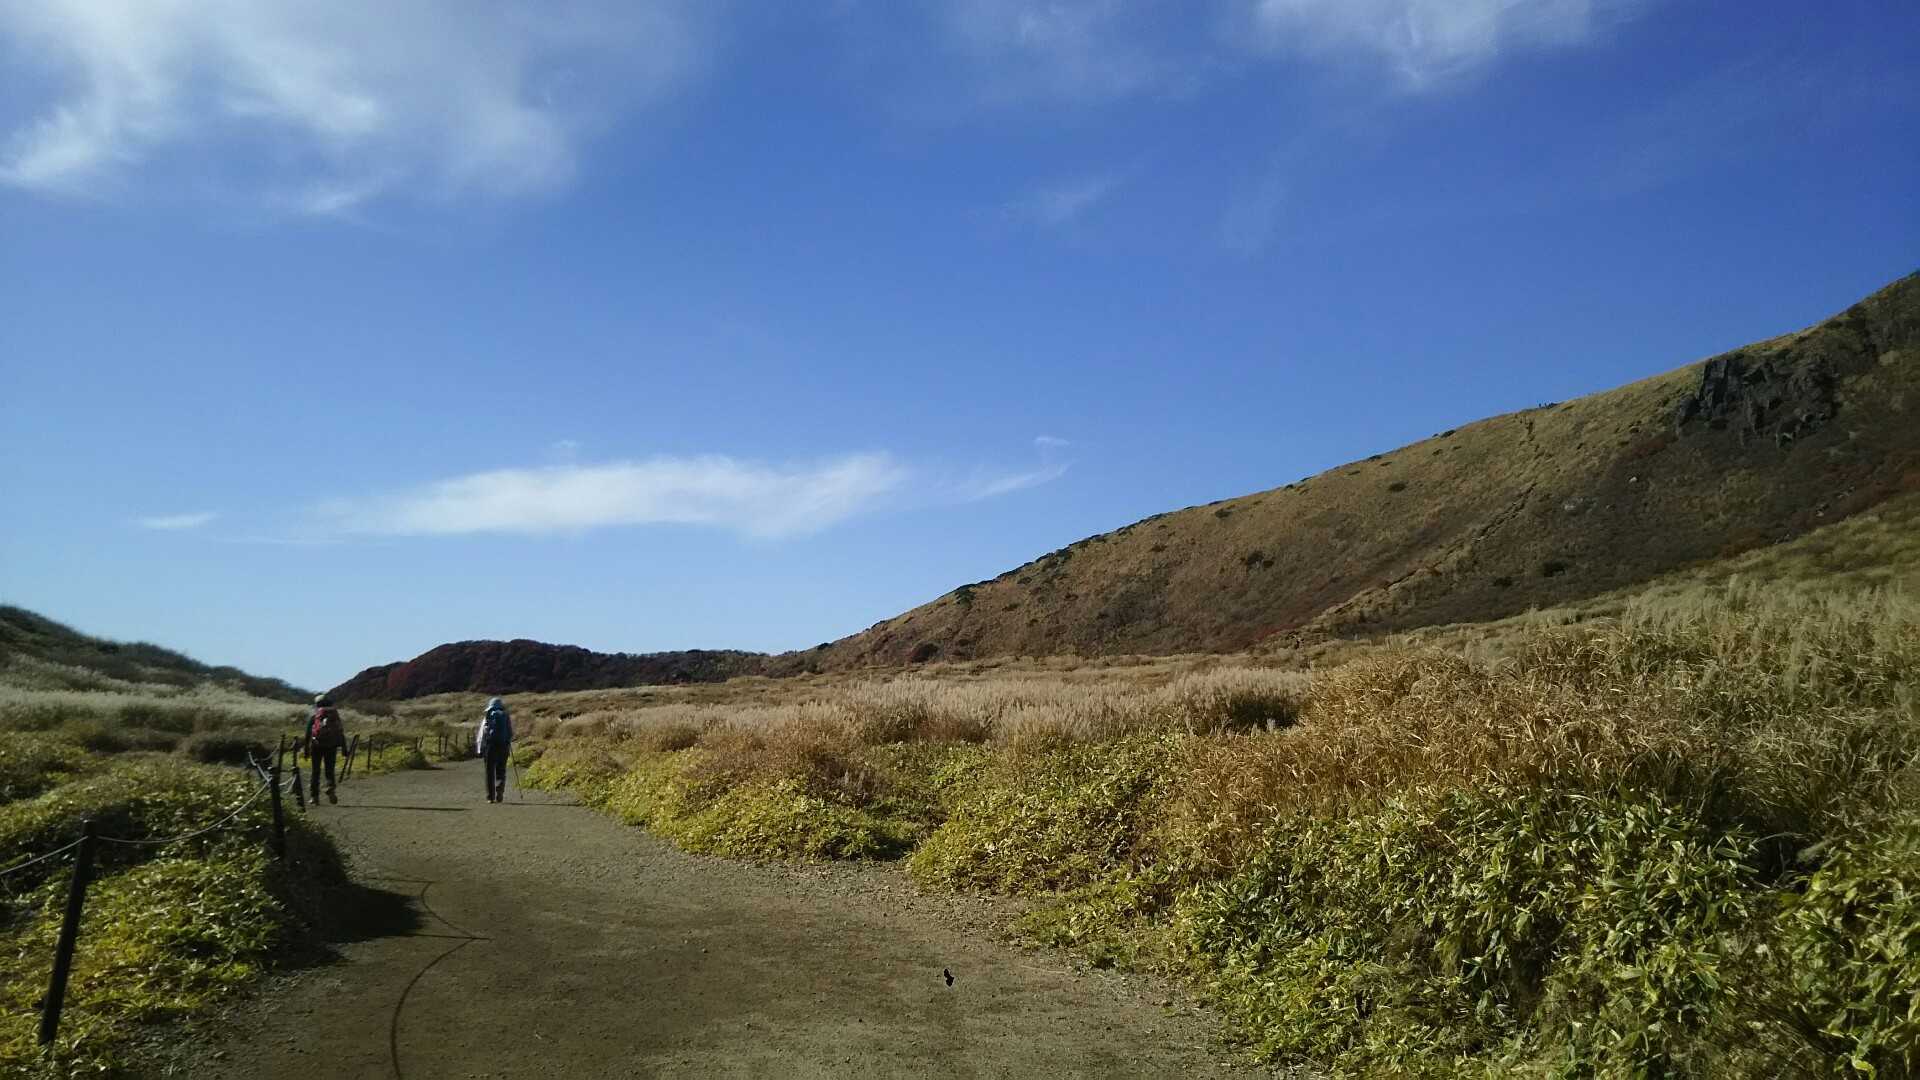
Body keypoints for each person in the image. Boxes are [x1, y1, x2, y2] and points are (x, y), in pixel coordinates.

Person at [307, 694, 347, 804]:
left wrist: (306, 749)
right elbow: (340, 732)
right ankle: (330, 787)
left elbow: (307, 734)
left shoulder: (315, 716)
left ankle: (314, 797)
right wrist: (344, 748)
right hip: (331, 746)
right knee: (330, 770)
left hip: (316, 746)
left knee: (315, 771)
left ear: (317, 704)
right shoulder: (334, 716)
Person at [476, 696, 514, 803]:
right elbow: (510, 733)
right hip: (503, 746)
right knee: (501, 770)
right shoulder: (505, 716)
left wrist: (479, 749)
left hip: (490, 746)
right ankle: (499, 788)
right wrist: (507, 743)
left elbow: (482, 734)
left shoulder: (488, 716)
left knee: (489, 771)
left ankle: (490, 797)